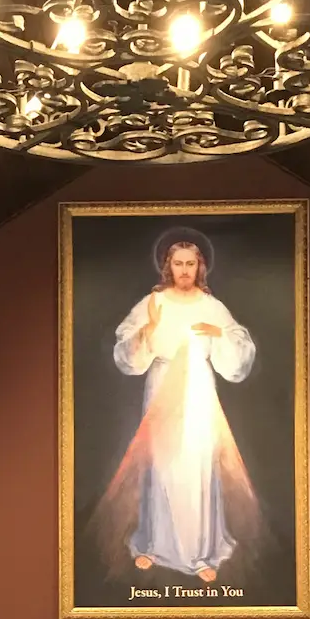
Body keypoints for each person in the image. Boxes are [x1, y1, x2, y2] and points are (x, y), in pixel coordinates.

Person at [97, 228, 260, 582]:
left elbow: (238, 345)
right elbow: (126, 346)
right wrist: (148, 329)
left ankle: (200, 554)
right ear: (167, 266)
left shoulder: (211, 306)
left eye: (190, 264)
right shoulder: (153, 302)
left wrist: (218, 334)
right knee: (162, 462)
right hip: (162, 386)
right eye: (178, 263)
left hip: (198, 388)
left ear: (200, 267)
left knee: (198, 465)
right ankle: (153, 545)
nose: (184, 270)